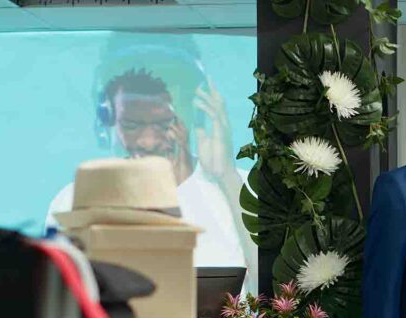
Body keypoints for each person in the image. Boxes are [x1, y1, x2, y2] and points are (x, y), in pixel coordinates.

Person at [46, 35, 255, 289]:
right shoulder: (74, 201)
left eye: (164, 123)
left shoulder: (240, 188)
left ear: (194, 115)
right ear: (108, 121)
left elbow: (275, 290)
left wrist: (226, 177)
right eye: (131, 125)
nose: (148, 141)